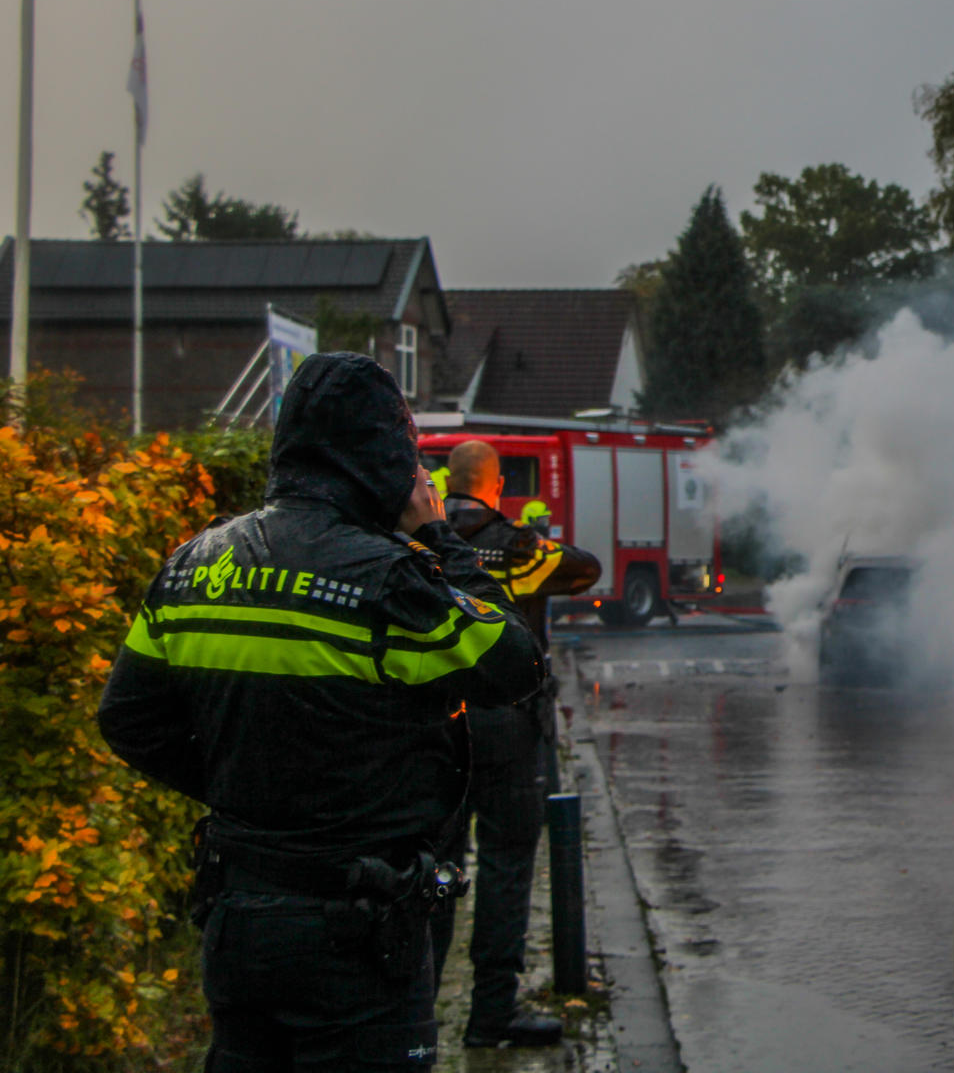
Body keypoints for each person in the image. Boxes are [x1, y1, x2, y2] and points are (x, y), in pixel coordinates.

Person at [96, 352, 545, 1070]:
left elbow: (128, 720)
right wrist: (438, 540)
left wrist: (250, 791)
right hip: (358, 931)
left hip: (238, 915)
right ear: (384, 455)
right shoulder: (388, 582)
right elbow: (513, 662)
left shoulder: (193, 564)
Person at [429, 439, 600, 1048]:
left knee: (438, 868)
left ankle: (416, 1018)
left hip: (437, 733)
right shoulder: (517, 547)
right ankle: (490, 1016)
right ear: (496, 485)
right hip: (506, 730)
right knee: (505, 866)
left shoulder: (418, 539)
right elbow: (585, 568)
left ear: (448, 482)